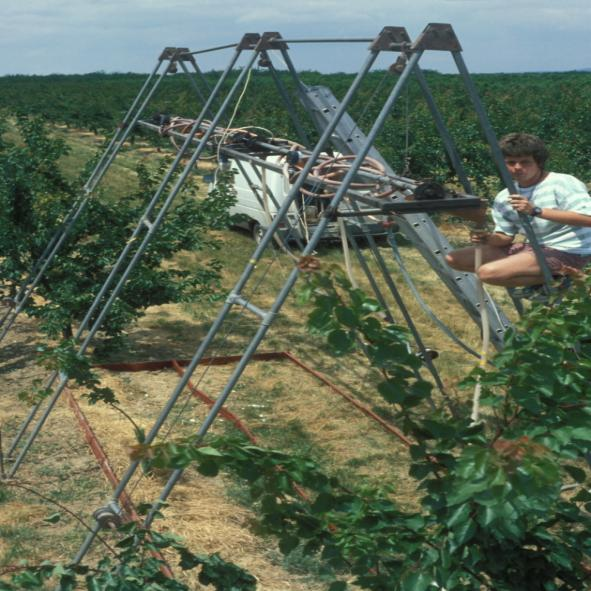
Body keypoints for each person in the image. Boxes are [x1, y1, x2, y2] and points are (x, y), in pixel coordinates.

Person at [445, 133, 591, 288]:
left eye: (525, 162)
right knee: (453, 259)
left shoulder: (561, 182)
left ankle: (562, 276)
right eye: (511, 162)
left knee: (487, 273)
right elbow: (505, 237)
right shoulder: (505, 196)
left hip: (571, 250)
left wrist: (536, 210)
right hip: (533, 248)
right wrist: (487, 238)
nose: (518, 167)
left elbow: (588, 219)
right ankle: (543, 276)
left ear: (538, 162)